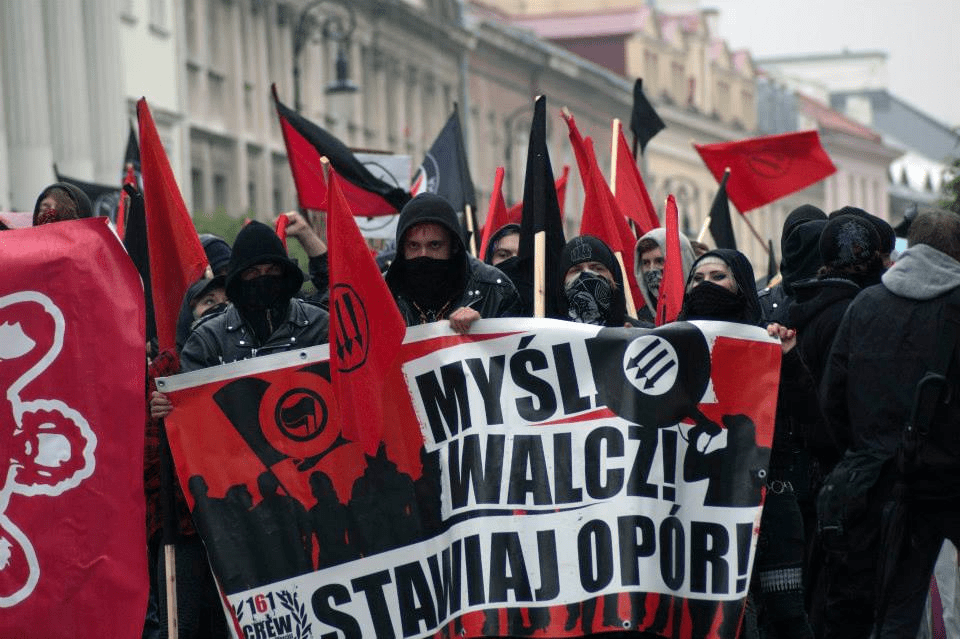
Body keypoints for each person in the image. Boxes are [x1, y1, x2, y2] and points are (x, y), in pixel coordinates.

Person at [148, 221, 329, 638]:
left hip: (313, 507)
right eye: (252, 274)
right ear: (237, 280)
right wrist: (170, 409)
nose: (263, 281)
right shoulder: (208, 339)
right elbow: (193, 427)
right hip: (236, 514)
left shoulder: (319, 327)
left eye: (272, 272)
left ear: (287, 275)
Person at [820, 208, 960, 638]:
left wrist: (864, 453)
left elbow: (832, 398)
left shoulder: (866, 304)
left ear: (911, 246)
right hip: (946, 482)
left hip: (874, 482)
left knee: (885, 609)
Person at [678, 248, 815, 639]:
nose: (706, 285)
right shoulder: (671, 346)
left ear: (741, 284)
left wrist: (788, 360)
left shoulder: (767, 341)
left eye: (717, 277)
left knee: (786, 617)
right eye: (697, 279)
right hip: (698, 508)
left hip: (769, 505)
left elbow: (809, 416)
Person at [385, 193, 521, 333]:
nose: (423, 254)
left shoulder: (494, 290)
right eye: (414, 246)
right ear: (402, 249)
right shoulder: (382, 292)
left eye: (434, 245)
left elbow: (517, 341)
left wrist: (483, 329)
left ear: (454, 246)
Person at [758, 204, 827, 324]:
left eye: (813, 237)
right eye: (797, 237)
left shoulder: (844, 299)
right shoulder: (762, 303)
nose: (805, 245)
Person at [557, 235, 641, 327]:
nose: (586, 275)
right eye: (576, 270)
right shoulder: (549, 333)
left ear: (614, 277)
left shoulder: (642, 332)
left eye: (597, 268)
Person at [633, 227, 695, 324]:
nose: (651, 269)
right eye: (646, 263)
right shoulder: (638, 319)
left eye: (659, 261)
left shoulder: (704, 312)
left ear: (681, 261)